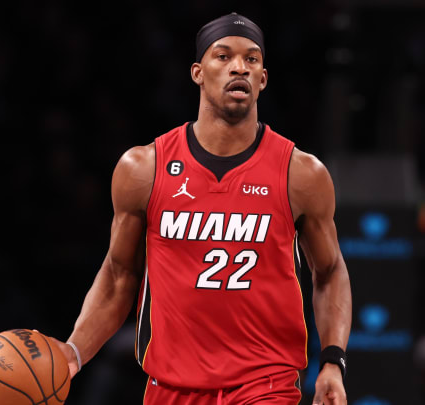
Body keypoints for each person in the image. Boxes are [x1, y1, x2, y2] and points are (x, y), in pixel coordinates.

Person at [48, 12, 352, 405]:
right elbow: (119, 276)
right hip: (170, 388)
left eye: (252, 59)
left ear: (262, 79)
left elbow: (329, 272)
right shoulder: (144, 168)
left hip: (265, 387)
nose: (238, 67)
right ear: (197, 72)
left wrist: (332, 361)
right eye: (222, 56)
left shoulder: (301, 173)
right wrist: (73, 353)